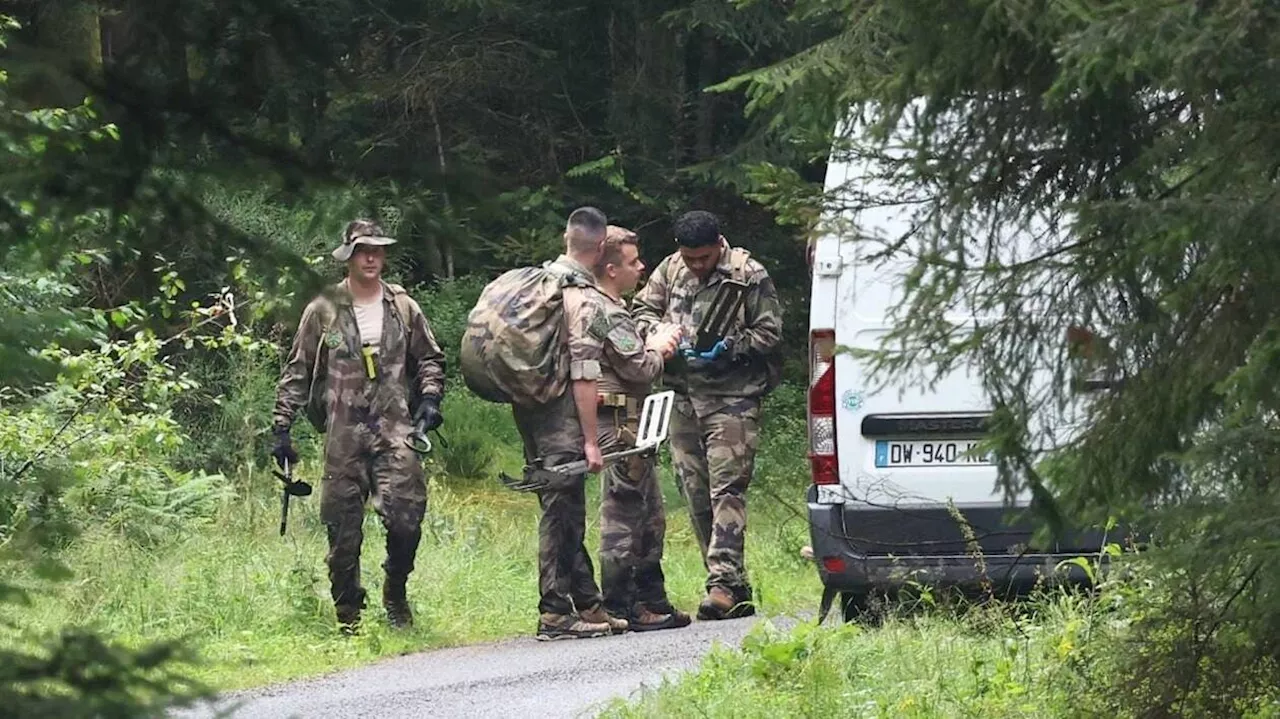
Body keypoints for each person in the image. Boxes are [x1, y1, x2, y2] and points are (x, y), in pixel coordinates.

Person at [270, 219, 447, 633]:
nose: (371, 257)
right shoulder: (323, 309)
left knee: (407, 519)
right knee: (341, 533)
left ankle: (395, 592)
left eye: (378, 249)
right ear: (348, 256)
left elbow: (431, 359)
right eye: (363, 250)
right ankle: (348, 615)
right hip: (342, 434)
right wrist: (281, 427)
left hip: (395, 429)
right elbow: (297, 370)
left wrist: (431, 398)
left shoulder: (402, 306)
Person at [633, 210, 783, 620]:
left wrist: (731, 348)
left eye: (703, 258)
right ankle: (734, 585)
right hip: (683, 396)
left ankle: (721, 584)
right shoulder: (670, 269)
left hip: (733, 396)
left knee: (727, 489)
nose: (697, 266)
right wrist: (662, 337)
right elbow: (641, 313)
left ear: (719, 243)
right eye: (690, 258)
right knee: (694, 492)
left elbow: (770, 331)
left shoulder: (747, 274)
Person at [512, 207, 630, 641]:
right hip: (560, 414)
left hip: (528, 408)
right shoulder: (581, 297)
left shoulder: (537, 282)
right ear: (600, 248)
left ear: (566, 238)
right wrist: (590, 441)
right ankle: (554, 613)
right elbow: (585, 375)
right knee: (560, 511)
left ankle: (589, 605)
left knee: (563, 505)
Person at [589, 225, 690, 631]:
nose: (641, 267)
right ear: (612, 269)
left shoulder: (606, 307)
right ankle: (620, 602)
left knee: (649, 513)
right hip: (618, 425)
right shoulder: (606, 312)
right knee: (623, 514)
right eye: (633, 262)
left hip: (631, 422)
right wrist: (662, 346)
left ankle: (650, 599)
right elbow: (640, 368)